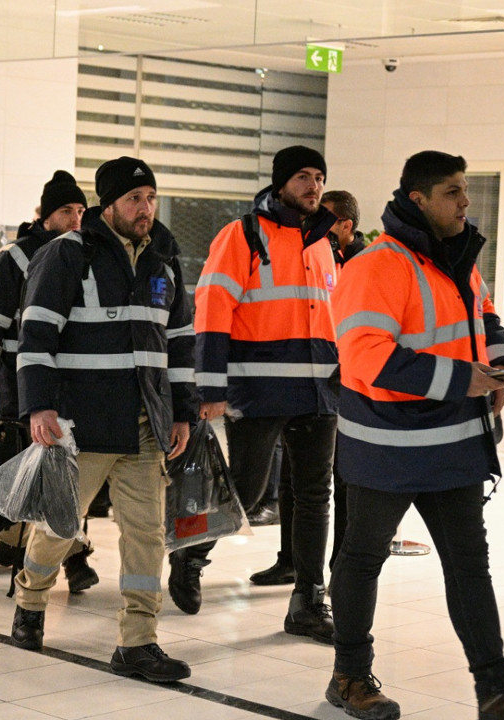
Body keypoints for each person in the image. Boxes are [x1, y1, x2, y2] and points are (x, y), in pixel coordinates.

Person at [326, 151, 504, 720]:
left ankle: (498, 693)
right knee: (362, 559)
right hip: (386, 450)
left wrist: (503, 368)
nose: (465, 202)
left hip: (454, 444)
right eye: (452, 192)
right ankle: (349, 676)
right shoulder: (374, 266)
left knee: (470, 567)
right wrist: (463, 377)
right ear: (416, 199)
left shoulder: (458, 260)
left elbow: (484, 319)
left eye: (464, 190)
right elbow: (366, 358)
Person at [10, 157, 197, 684]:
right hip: (82, 422)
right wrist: (39, 407)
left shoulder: (163, 257)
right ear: (108, 204)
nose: (146, 209)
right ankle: (30, 600)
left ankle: (138, 641)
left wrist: (182, 412)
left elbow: (179, 343)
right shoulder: (67, 255)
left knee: (147, 537)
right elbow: (37, 336)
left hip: (145, 424)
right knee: (59, 528)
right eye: (135, 199)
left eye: (151, 198)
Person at [187, 145, 340, 645]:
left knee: (316, 496)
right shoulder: (242, 234)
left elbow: (334, 318)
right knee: (245, 493)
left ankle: (308, 601)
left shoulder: (323, 243)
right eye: (302, 176)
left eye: (318, 177)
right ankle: (189, 556)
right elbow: (212, 311)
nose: (313, 185)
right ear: (279, 183)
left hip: (320, 393)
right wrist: (209, 388)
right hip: (259, 390)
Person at [0, 170, 97, 591]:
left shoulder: (85, 253)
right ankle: (72, 558)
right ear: (45, 214)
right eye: (66, 211)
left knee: (61, 468)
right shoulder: (16, 258)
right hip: (20, 379)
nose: (76, 218)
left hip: (70, 380)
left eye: (81, 210)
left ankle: (15, 541)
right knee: (46, 468)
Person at [250, 188, 366, 588]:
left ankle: (338, 570)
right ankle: (290, 561)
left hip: (348, 391)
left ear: (346, 226)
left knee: (340, 485)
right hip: (310, 385)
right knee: (293, 481)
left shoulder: (362, 264)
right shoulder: (314, 253)